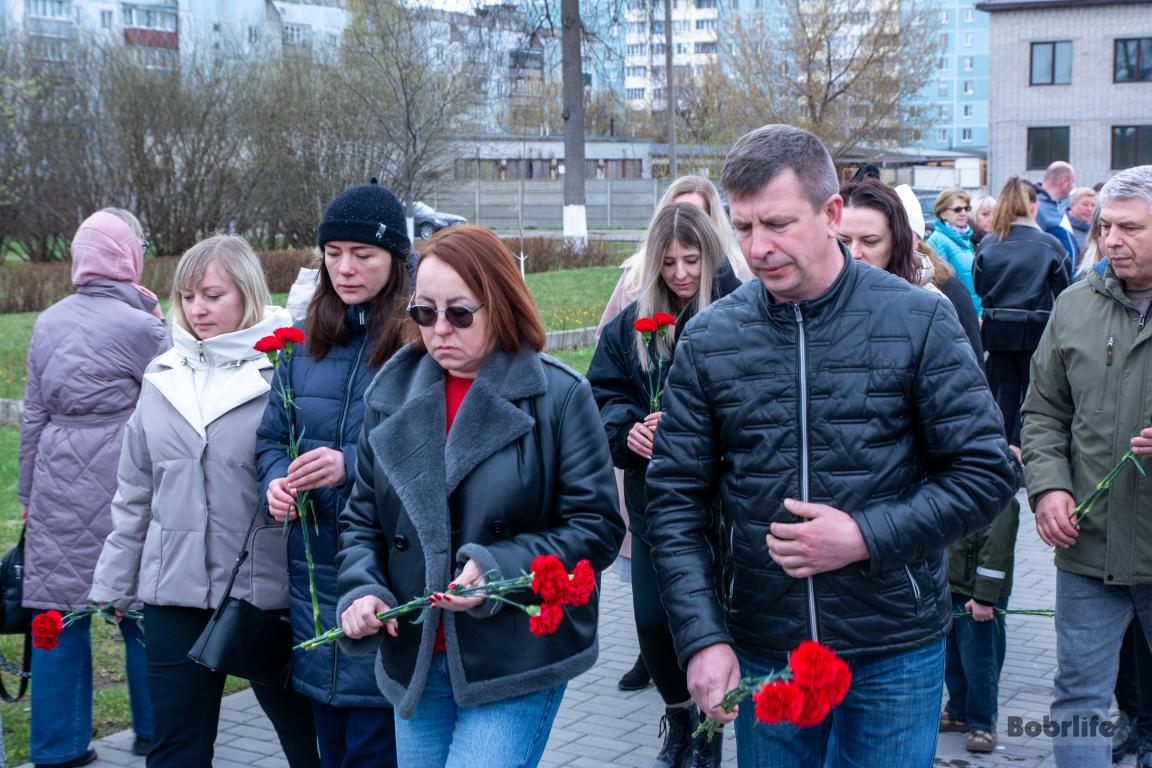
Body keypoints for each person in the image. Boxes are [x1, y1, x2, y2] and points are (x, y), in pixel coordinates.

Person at [643, 124, 1015, 767]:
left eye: (779, 224)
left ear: (832, 213)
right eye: (745, 226)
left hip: (893, 648)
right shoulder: (709, 338)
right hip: (768, 648)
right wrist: (702, 638)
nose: (758, 248)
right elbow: (675, 502)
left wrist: (865, 535)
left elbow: (985, 473)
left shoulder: (918, 319)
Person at [335, 225, 624, 768]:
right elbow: (361, 521)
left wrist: (496, 568)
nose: (440, 330)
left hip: (514, 653)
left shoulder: (558, 396)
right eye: (424, 312)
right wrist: (362, 591)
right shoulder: (390, 394)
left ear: (501, 304)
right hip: (415, 656)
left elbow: (596, 526)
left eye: (460, 314)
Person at [88, 234, 320, 768]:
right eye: (188, 296)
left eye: (212, 295)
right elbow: (135, 492)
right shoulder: (160, 376)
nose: (197, 309)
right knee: (176, 750)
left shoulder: (286, 371)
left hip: (266, 595)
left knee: (311, 744)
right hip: (176, 593)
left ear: (247, 294)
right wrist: (113, 582)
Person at [840, 179, 1020, 755]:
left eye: (869, 240)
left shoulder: (934, 305)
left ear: (900, 243)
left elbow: (971, 431)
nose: (855, 253)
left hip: (910, 531)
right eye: (843, 239)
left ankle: (970, 705)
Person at [257, 181, 411, 767]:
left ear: (396, 259)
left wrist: (350, 464)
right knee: (332, 741)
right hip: (313, 576)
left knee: (375, 743)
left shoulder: (421, 339)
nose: (345, 268)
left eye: (363, 255)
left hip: (383, 574)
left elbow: (435, 453)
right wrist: (273, 484)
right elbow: (272, 438)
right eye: (333, 253)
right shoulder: (302, 344)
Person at [586, 203, 742, 768]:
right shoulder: (632, 324)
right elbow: (600, 395)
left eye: (692, 260)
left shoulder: (737, 313)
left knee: (708, 622)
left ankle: (709, 732)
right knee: (653, 622)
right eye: (669, 262)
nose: (680, 274)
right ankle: (678, 717)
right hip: (652, 502)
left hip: (721, 505)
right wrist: (630, 431)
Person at [17, 209, 165, 767]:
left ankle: (56, 747)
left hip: (56, 483)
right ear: (126, 257)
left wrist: (28, 496)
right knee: (141, 613)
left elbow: (33, 416)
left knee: (56, 615)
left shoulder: (48, 321)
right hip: (125, 480)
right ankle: (157, 730)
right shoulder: (142, 326)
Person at [1022, 164, 1152, 768]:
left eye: (1130, 228)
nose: (1111, 240)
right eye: (1105, 227)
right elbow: (1043, 413)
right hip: (1088, 546)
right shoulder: (1073, 305)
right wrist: (1047, 489)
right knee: (1078, 696)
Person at [973, 177, 1069, 452]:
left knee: (1004, 391)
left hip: (996, 327)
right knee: (1032, 392)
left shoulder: (988, 243)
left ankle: (1002, 449)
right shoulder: (1049, 243)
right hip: (1035, 327)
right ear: (1032, 206)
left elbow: (980, 287)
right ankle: (1020, 447)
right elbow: (1065, 290)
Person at [597, 174, 751, 336]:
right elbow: (607, 338)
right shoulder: (635, 273)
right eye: (668, 263)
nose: (683, 222)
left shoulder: (738, 271)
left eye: (694, 215)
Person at [927, 186, 981, 316]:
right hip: (956, 314)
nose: (963, 213)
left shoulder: (965, 238)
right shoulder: (938, 240)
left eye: (966, 208)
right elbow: (939, 285)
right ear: (942, 213)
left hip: (973, 311)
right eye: (957, 209)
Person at [1036, 161, 1080, 273]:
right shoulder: (1038, 207)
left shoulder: (1056, 205)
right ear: (1064, 182)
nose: (1073, 188)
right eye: (1073, 183)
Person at [1067, 187, 1096, 251]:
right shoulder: (1064, 228)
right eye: (1085, 204)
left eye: (1093, 205)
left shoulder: (1096, 229)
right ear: (1072, 205)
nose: (1089, 209)